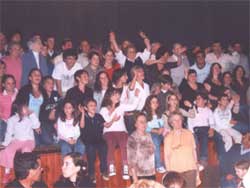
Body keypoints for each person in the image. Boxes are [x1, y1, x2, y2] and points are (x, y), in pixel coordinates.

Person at [100, 88, 140, 180]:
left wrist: (136, 96)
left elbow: (133, 106)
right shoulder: (103, 109)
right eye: (115, 95)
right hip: (109, 132)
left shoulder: (121, 106)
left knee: (124, 144)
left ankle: (125, 167)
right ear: (109, 97)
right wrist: (113, 108)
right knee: (110, 143)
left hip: (121, 131)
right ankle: (111, 165)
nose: (118, 96)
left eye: (118, 95)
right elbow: (106, 120)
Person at [0, 101, 40, 184]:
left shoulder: (30, 117)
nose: (27, 109)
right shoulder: (12, 119)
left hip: (29, 140)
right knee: (8, 151)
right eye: (25, 108)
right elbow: (9, 133)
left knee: (26, 150)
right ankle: (7, 173)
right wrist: (5, 143)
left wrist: (32, 114)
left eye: (27, 107)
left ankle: (26, 173)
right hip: (17, 140)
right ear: (18, 110)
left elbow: (36, 125)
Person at [164, 112, 198, 188]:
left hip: (191, 170)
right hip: (176, 173)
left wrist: (196, 168)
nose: (178, 122)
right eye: (175, 120)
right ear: (171, 123)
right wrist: (169, 173)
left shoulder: (189, 133)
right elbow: (167, 156)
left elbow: (194, 151)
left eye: (179, 119)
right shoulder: (168, 137)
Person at [79, 98, 109, 183]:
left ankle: (104, 171)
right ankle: (91, 173)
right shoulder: (83, 116)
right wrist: (82, 114)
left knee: (104, 146)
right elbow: (82, 126)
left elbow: (106, 125)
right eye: (91, 106)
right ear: (86, 108)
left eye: (95, 105)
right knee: (90, 149)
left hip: (98, 139)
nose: (93, 107)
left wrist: (113, 120)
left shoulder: (98, 116)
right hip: (88, 140)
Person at [187, 92, 214, 167]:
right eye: (196, 99)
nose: (197, 100)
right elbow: (190, 122)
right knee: (203, 135)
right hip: (197, 129)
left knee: (214, 135)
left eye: (199, 98)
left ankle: (205, 159)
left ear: (205, 101)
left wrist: (211, 128)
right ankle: (202, 159)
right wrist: (191, 132)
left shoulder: (208, 110)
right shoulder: (193, 109)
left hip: (206, 128)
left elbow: (211, 121)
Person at [127, 112, 155, 182]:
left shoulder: (149, 135)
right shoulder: (132, 138)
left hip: (151, 173)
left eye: (145, 122)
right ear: (135, 124)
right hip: (138, 175)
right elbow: (131, 161)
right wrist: (135, 180)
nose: (144, 124)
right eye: (141, 122)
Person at [143, 95, 166, 173]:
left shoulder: (159, 113)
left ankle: (169, 163)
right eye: (153, 102)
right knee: (155, 139)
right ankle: (158, 165)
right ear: (149, 103)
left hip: (160, 132)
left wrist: (162, 129)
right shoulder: (144, 113)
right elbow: (144, 127)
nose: (155, 104)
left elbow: (162, 125)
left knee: (170, 138)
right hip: (150, 132)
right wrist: (155, 131)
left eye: (156, 102)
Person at [38, 76, 61, 145]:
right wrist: (48, 116)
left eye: (52, 83)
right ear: (43, 85)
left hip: (56, 121)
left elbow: (61, 107)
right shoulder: (39, 95)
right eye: (48, 83)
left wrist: (55, 115)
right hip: (43, 122)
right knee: (48, 141)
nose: (51, 85)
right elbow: (38, 113)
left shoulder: (56, 94)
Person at [0, 74, 18, 143]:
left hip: (18, 122)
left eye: (13, 83)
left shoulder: (20, 94)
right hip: (5, 122)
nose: (11, 85)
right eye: (8, 83)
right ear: (3, 84)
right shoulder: (1, 97)